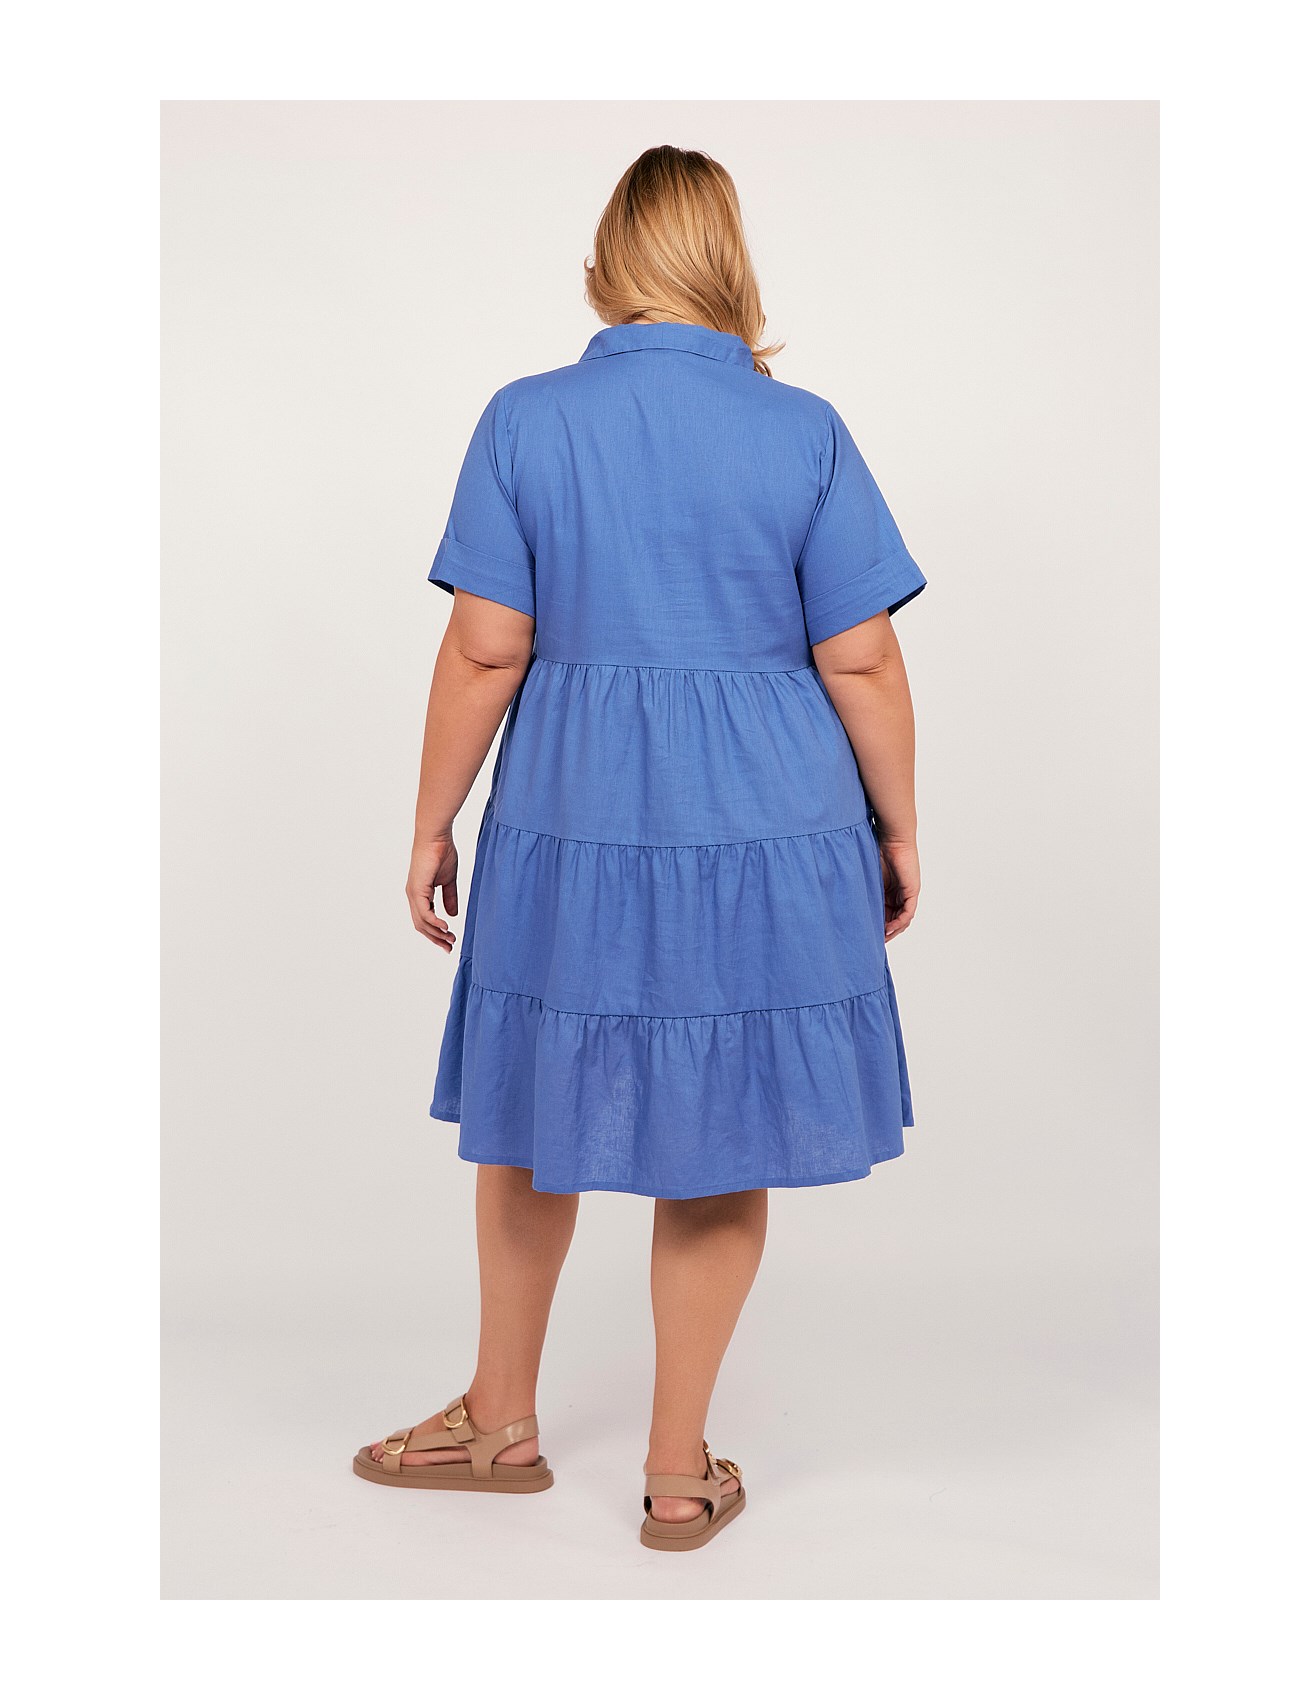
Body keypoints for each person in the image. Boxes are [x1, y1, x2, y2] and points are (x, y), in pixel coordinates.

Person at [353, 145, 925, 1552]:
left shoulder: (526, 419)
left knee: (532, 1107)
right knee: (725, 1128)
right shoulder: (803, 431)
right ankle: (677, 1474)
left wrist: (430, 821)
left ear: (606, 265)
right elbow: (860, 658)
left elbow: (487, 648)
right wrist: (900, 821)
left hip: (577, 813)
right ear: (729, 264)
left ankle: (499, 1424)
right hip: (767, 822)